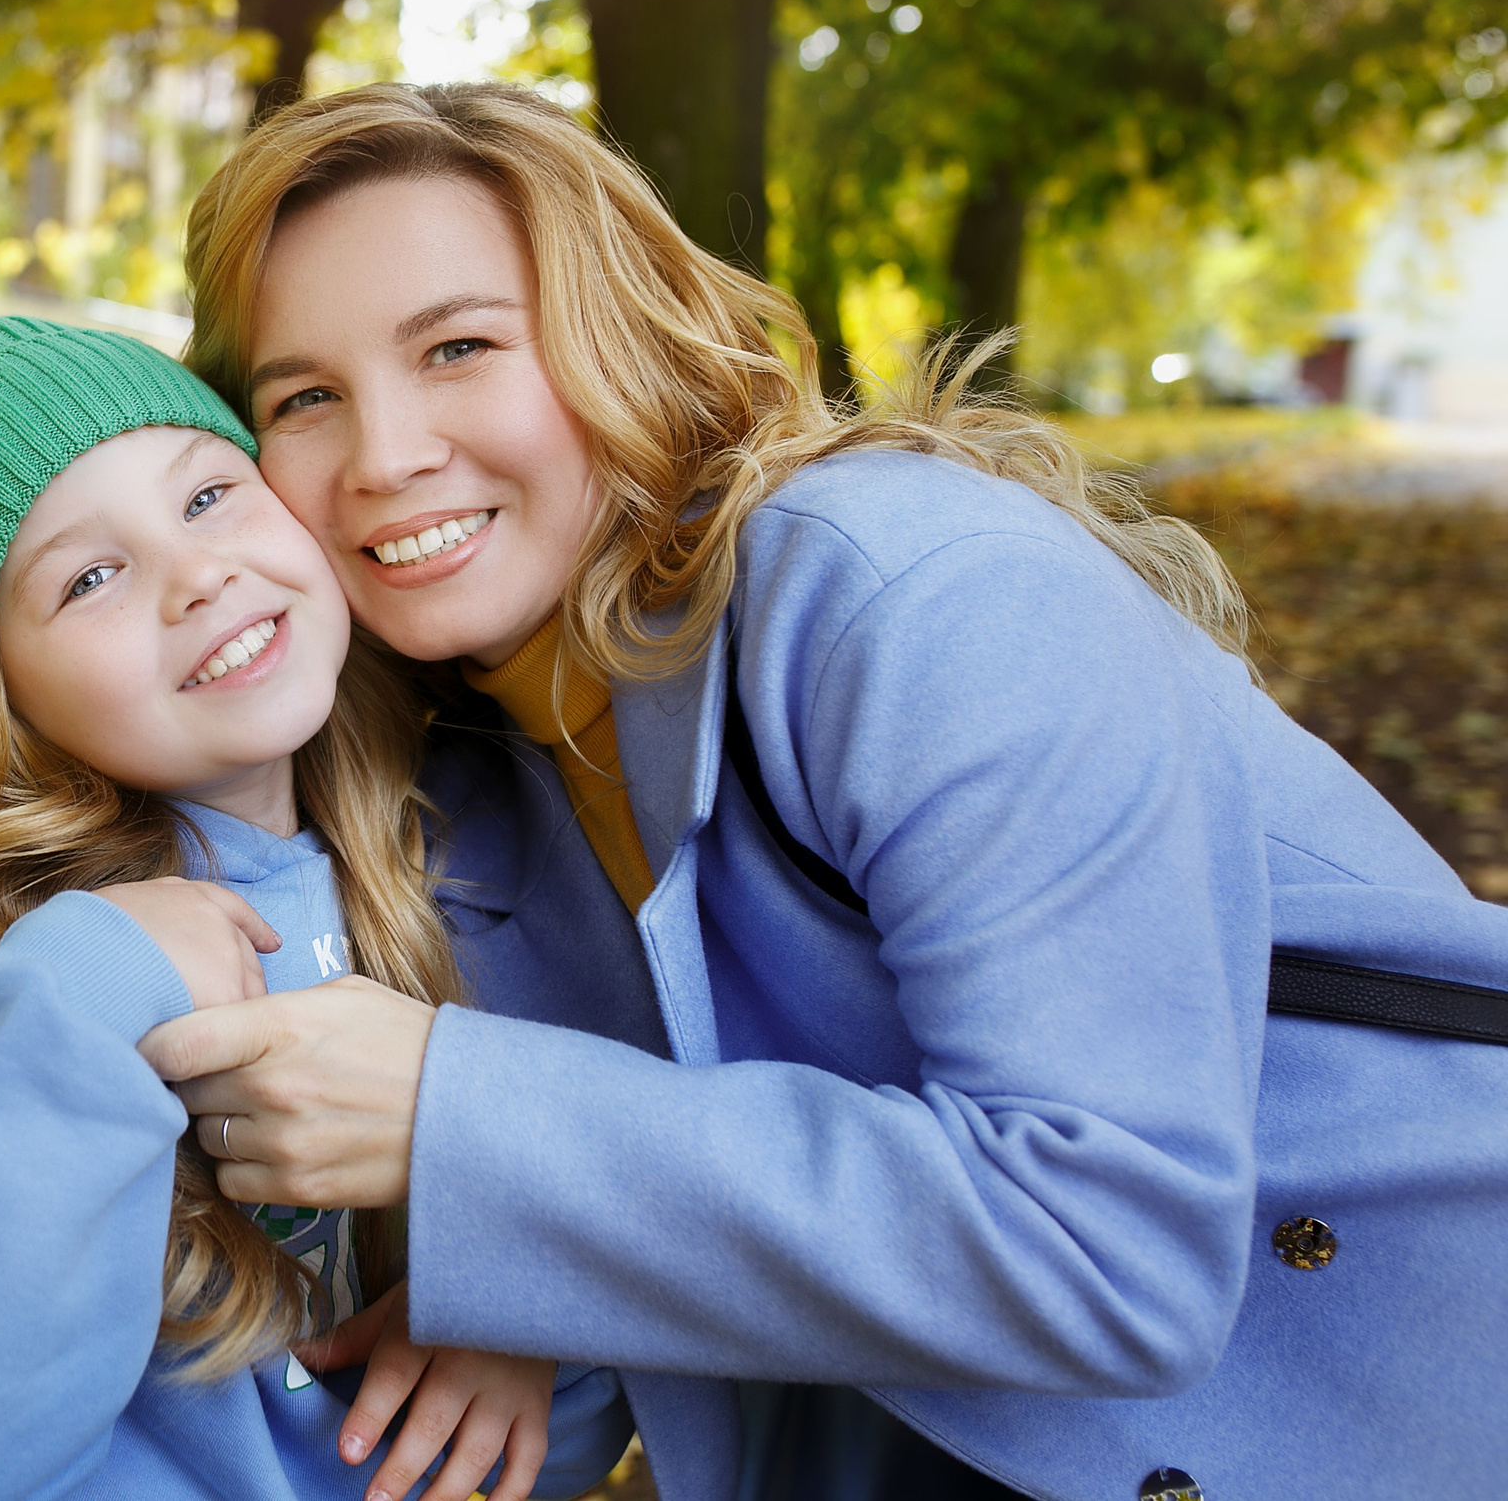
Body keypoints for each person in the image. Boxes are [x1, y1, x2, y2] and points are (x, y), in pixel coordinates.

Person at [133, 83, 1508, 1501]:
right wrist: (536, 1277)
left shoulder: (904, 597)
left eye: (461, 346)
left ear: (621, 337)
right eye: (304, 396)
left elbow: (1112, 1250)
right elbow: (739, 1217)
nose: (385, 454)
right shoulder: (467, 778)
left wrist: (469, 1125)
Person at [0, 316, 633, 1501]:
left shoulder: (459, 860)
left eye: (207, 497)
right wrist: (81, 989)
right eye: (88, 577)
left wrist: (529, 1306)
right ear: (4, 703)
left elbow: (591, 1301)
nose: (198, 574)